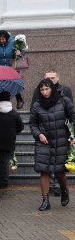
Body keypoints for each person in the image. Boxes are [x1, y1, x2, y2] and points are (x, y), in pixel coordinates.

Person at [29, 78, 75, 210]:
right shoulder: (37, 105)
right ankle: (45, 200)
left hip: (61, 140)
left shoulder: (64, 101)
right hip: (44, 142)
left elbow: (73, 117)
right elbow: (33, 123)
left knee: (60, 171)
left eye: (47, 89)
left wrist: (73, 134)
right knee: (44, 170)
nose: (44, 92)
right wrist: (39, 134)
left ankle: (64, 190)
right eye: (42, 90)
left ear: (52, 89)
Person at [0, 91, 24, 189]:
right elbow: (20, 127)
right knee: (4, 163)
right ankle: (3, 182)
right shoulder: (14, 114)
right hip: (8, 142)